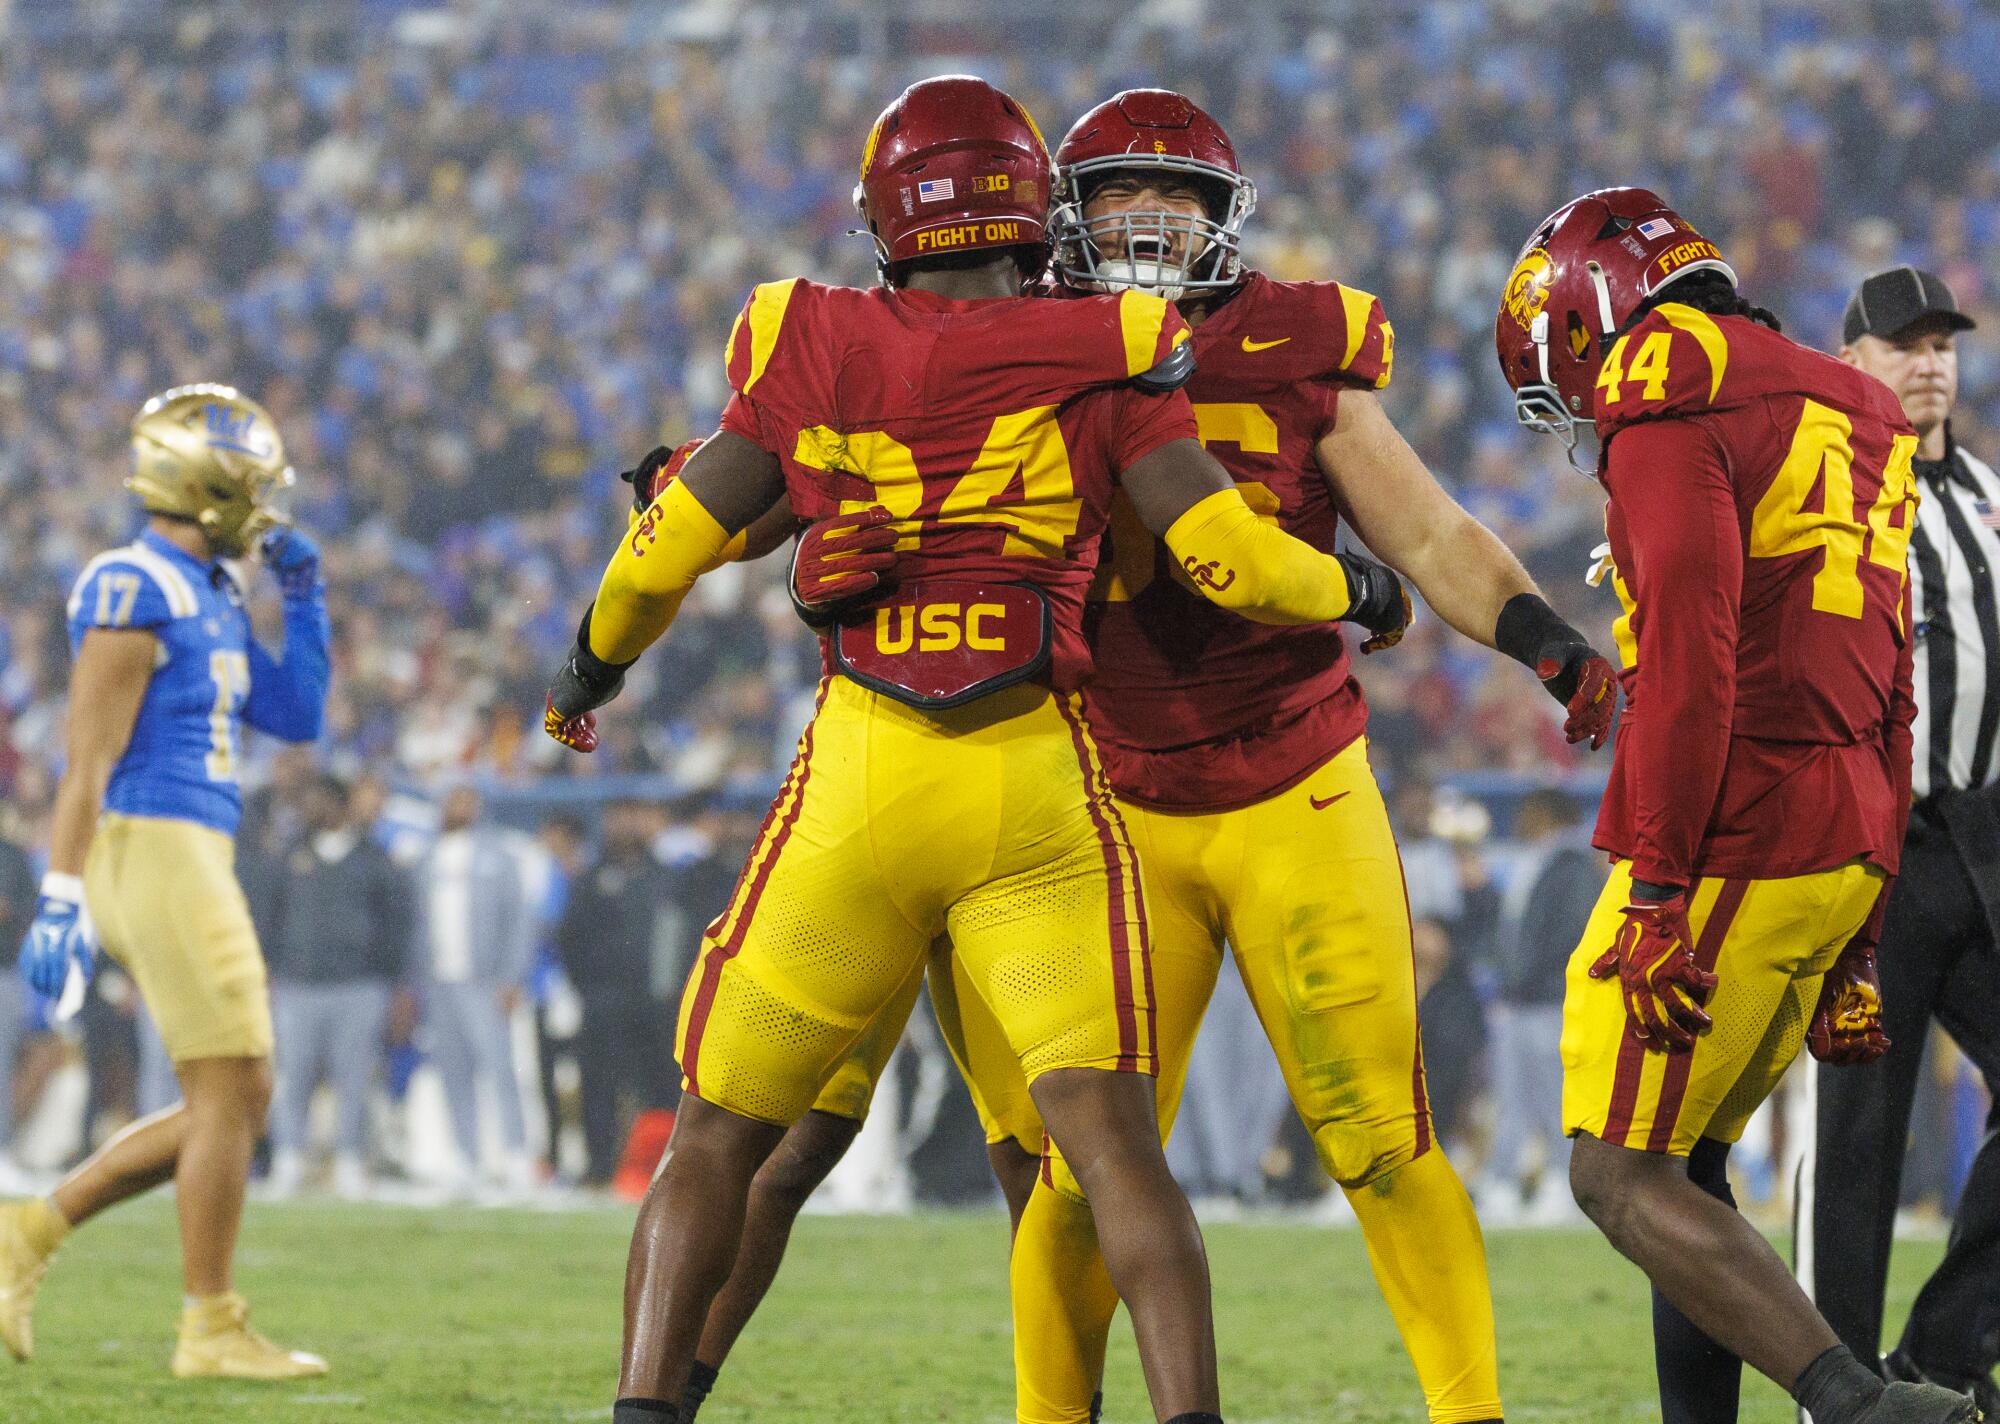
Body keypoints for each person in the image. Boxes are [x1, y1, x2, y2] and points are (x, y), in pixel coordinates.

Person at [677, 89, 1621, 1424]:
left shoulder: (1296, 341)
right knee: (1079, 1177)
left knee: (1381, 1143)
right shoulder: (1007, 331)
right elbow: (791, 479)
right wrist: (722, 513)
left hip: (1293, 778)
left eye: (1177, 197)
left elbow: (1431, 537)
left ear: (1224, 218)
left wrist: (1547, 641)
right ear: (1061, 206)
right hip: (1096, 800)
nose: (1147, 218)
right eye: (1120, 191)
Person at [542, 74, 1415, 1424]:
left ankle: (647, 1410)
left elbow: (662, 558)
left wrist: (586, 670)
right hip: (1034, 782)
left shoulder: (805, 333)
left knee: (723, 1136)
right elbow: (1229, 559)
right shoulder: (1115, 345)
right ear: (1035, 206)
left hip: (866, 773)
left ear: (885, 215)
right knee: (1111, 1154)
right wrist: (1359, 592)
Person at [1496, 188, 1969, 1424]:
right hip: (1846, 826)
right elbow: (1892, 661)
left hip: (1734, 832)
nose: (1580, 414)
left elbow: (1695, 663)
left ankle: (1859, 1402)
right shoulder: (1849, 395)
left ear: (1598, 318)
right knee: (1689, 1161)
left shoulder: (1666, 383)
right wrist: (1861, 923)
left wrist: (1656, 885)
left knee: (1614, 1169)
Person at [0, 385, 331, 1377]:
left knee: (236, 1090)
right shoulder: (129, 583)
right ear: (211, 486)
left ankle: (30, 1235)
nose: (267, 506)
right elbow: (86, 760)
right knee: (234, 1082)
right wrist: (60, 896)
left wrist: (307, 600)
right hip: (150, 839)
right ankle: (208, 1321)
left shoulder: (213, 589)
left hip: (193, 843)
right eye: (253, 486)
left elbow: (297, 713)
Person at [1795, 265, 2000, 1416]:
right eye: (1902, 343)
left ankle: (1940, 1350)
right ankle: (1833, 1383)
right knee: (1857, 1135)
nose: (1928, 363)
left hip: (1978, 826)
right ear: (1851, 362)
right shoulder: (1816, 485)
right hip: (1867, 843)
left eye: (1941, 345)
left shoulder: (1979, 491)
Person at [265, 772, 414, 1199]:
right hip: (298, 985)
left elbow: (396, 924)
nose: (309, 809)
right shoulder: (291, 853)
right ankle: (289, 1159)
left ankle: (350, 1160)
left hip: (358, 986)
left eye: (317, 799)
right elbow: (271, 917)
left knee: (354, 1080)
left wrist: (392, 982)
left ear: (339, 803)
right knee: (293, 1077)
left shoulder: (372, 857)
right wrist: (271, 969)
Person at [1479, 789, 1605, 1224]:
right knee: (1511, 1097)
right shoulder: (1534, 860)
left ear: (1548, 813)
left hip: (1550, 999)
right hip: (1519, 1001)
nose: (1520, 817)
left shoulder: (1572, 866)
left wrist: (1523, 978)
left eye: (1529, 809)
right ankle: (1503, 1181)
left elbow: (1569, 932)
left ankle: (1560, 1182)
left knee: (1556, 1097)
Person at [555, 799, 685, 1187]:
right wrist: (588, 988)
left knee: (661, 1086)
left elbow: (679, 936)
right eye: (618, 819)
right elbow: (569, 938)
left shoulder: (665, 877)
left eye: (633, 818)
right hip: (603, 999)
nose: (626, 827)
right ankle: (600, 1169)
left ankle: (659, 1170)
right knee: (599, 1085)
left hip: (655, 1001)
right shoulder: (591, 878)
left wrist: (670, 988)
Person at [416, 784, 535, 1193]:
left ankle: (517, 1157)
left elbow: (520, 920)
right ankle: (466, 1157)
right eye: (453, 798)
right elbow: (417, 924)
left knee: (500, 1070)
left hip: (485, 982)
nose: (458, 806)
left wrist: (512, 977)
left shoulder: (500, 857)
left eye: (466, 799)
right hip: (439, 982)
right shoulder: (427, 857)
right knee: (453, 1071)